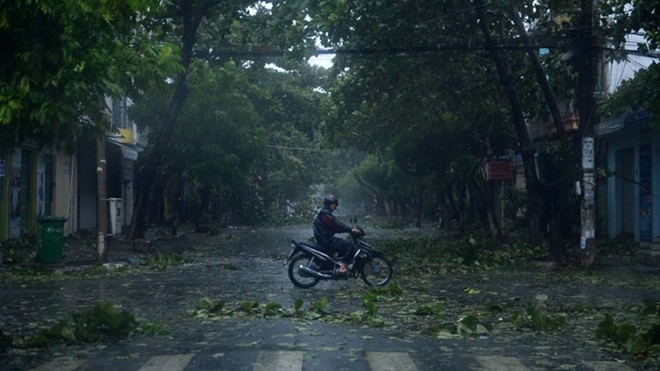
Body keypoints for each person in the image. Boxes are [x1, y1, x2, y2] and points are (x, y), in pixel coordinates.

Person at [313, 194, 360, 273]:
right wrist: (350, 230)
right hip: (326, 240)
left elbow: (336, 226)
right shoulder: (326, 215)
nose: (335, 207)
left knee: (342, 246)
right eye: (334, 204)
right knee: (350, 246)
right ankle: (342, 267)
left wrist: (347, 229)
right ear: (329, 204)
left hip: (324, 238)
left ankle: (338, 264)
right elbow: (337, 224)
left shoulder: (325, 213)